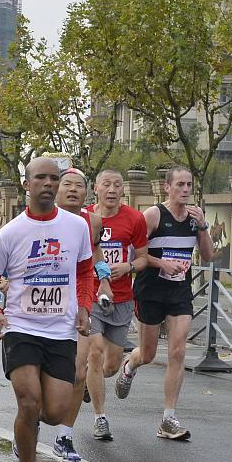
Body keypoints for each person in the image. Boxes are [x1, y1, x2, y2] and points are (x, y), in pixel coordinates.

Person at [0, 157, 96, 462]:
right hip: (21, 328)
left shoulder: (76, 227)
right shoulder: (10, 233)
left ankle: (24, 434)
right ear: (27, 184)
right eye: (40, 178)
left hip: (60, 331)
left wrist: (85, 306)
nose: (48, 184)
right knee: (29, 403)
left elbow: (86, 272)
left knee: (54, 412)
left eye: (53, 178)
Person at [114, 167, 214, 440]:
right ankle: (129, 366)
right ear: (167, 187)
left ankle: (168, 419)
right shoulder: (154, 215)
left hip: (179, 291)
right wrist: (162, 263)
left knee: (178, 352)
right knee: (147, 354)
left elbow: (208, 256)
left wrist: (203, 226)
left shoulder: (195, 217)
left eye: (189, 184)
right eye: (180, 184)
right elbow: (136, 253)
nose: (185, 189)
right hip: (150, 290)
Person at [50, 168, 114, 462]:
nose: (73, 190)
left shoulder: (94, 221)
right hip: (43, 303)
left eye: (79, 186)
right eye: (67, 184)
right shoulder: (42, 214)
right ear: (56, 189)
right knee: (38, 376)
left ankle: (64, 435)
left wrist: (103, 280)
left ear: (86, 193)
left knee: (78, 371)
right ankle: (28, 425)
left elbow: (95, 254)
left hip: (79, 300)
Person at [80, 170, 147, 442]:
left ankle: (92, 381)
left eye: (117, 185)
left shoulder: (134, 218)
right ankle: (100, 418)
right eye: (106, 184)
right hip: (91, 295)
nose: (112, 189)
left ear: (123, 190)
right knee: (94, 352)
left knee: (109, 365)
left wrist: (128, 266)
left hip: (121, 299)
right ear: (95, 188)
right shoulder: (84, 218)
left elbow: (143, 258)